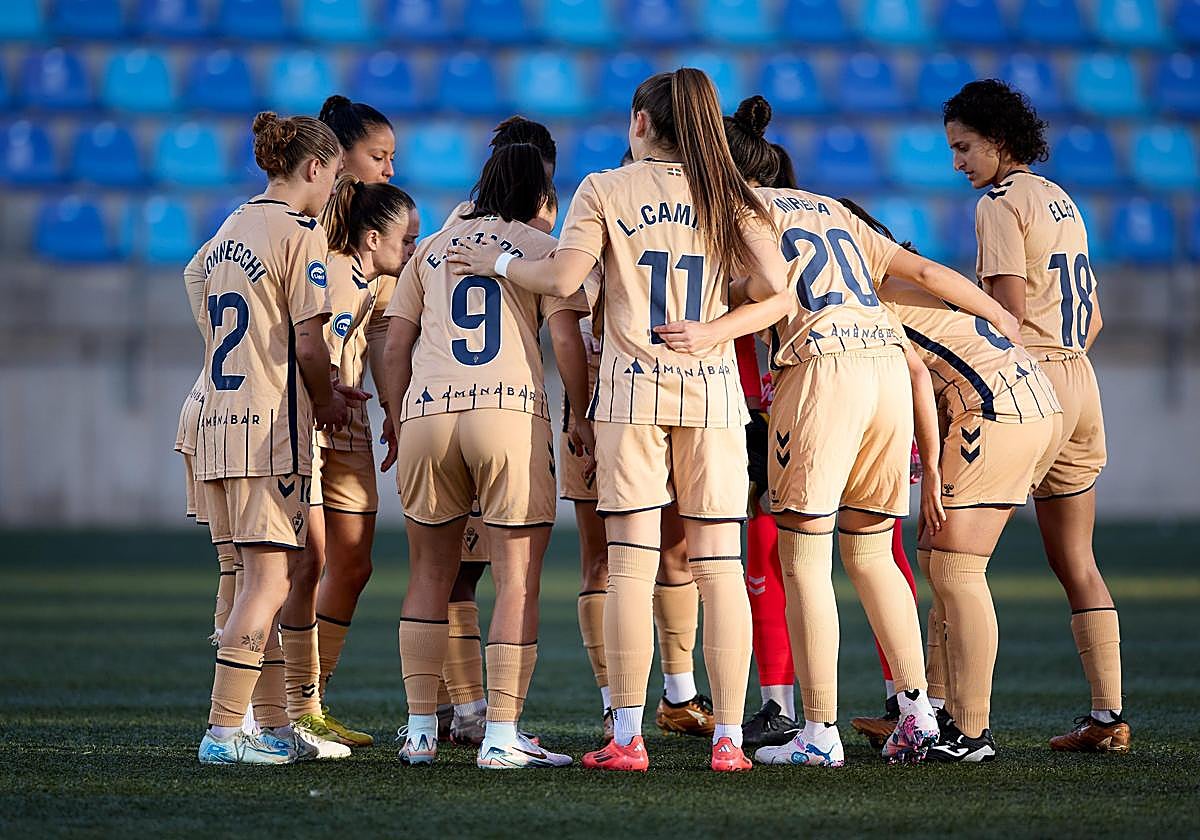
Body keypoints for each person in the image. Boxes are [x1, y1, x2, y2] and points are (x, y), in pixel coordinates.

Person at [654, 94, 1022, 768]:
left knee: (802, 559)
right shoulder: (831, 208)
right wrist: (1002, 318)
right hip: (887, 369)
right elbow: (928, 273)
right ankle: (918, 718)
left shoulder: (733, 214)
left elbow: (754, 296)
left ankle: (817, 732)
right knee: (873, 553)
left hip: (821, 374)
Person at [448, 68, 791, 773]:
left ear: (640, 123)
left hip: (631, 396)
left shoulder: (605, 187)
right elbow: (780, 295)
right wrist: (717, 328)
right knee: (718, 566)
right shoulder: (730, 191)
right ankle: (729, 739)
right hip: (714, 395)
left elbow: (565, 281)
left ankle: (627, 737)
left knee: (630, 566)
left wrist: (501, 258)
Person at [384, 143, 592, 770]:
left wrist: (396, 418)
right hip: (505, 411)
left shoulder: (432, 247)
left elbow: (396, 344)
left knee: (428, 575)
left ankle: (421, 731)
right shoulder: (538, 249)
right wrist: (578, 411)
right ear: (538, 196)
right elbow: (565, 339)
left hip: (427, 411)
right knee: (516, 579)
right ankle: (502, 735)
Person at [841, 198, 1065, 761]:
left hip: (995, 409)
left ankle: (973, 732)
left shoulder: (873, 297)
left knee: (957, 569)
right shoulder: (917, 278)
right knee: (940, 559)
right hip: (1030, 400)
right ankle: (935, 711)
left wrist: (934, 472)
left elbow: (919, 377)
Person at [944, 80, 1128, 753]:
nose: (957, 163)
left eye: (964, 148)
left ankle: (947, 719)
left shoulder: (999, 204)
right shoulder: (1062, 199)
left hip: (1032, 382)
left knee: (954, 558)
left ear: (997, 141)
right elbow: (1096, 315)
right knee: (1076, 559)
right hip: (1082, 378)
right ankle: (1108, 717)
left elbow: (1008, 321)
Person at [196, 112, 361, 764]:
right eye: (334, 177)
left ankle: (267, 727)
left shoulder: (232, 224)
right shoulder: (300, 233)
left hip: (219, 417)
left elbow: (191, 280)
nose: (332, 192)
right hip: (270, 426)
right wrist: (323, 399)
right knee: (269, 581)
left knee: (251, 577)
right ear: (315, 168)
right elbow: (309, 339)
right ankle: (220, 732)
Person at [275, 95, 406, 750]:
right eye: (378, 157)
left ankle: (310, 704)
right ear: (341, 156)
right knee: (303, 560)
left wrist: (392, 408)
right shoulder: (299, 229)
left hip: (347, 414)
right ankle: (286, 706)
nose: (387, 170)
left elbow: (381, 332)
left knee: (352, 563)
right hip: (300, 411)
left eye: (392, 159)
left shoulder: (379, 233)